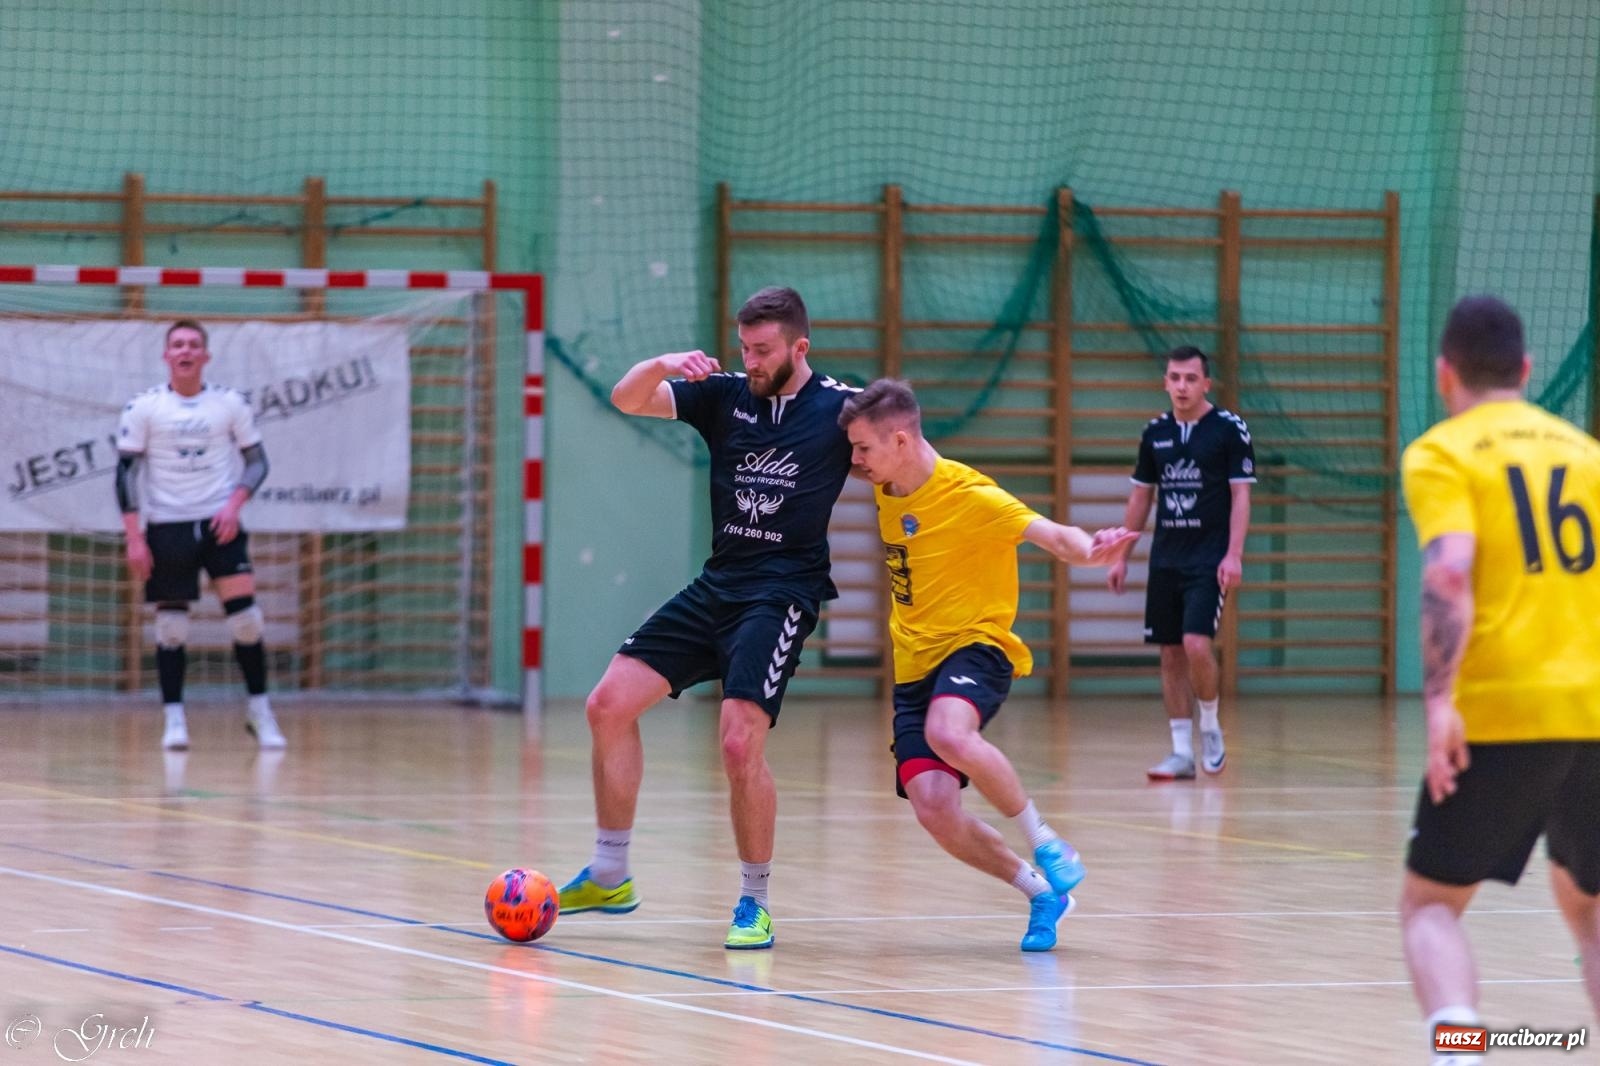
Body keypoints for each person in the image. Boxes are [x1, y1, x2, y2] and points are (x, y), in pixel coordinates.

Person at [557, 287, 859, 950]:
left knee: (737, 742)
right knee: (608, 704)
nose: (750, 360)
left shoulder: (840, 408)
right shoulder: (725, 395)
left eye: (763, 350)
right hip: (719, 583)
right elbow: (627, 398)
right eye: (745, 347)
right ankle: (610, 872)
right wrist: (663, 361)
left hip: (780, 595)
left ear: (799, 347)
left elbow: (901, 456)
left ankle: (754, 900)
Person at [838, 379, 1138, 951]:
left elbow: (1051, 535)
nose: (854, 461)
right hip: (912, 669)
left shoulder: (971, 496)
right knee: (934, 810)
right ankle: (1041, 892)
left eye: (863, 450)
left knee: (948, 732)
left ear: (900, 441)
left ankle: (1046, 841)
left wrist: (1090, 548)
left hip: (978, 645)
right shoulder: (884, 477)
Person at [1398, 295, 1600, 1063]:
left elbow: (1450, 572)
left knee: (1430, 907)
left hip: (1508, 708)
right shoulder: (1585, 453)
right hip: (1594, 707)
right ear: (1525, 369)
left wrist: (1442, 700)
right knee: (1587, 904)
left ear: (1445, 372)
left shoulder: (1444, 452)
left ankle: (1459, 1048)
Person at [116, 319, 284, 751]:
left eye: (193, 345)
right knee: (171, 627)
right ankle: (174, 720)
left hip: (219, 523)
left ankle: (260, 712)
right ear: (167, 356)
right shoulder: (144, 407)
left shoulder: (229, 404)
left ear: (205, 356)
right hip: (167, 526)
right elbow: (125, 474)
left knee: (246, 620)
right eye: (178, 345)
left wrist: (234, 505)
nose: (186, 351)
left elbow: (258, 462)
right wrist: (134, 537)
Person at [1105, 346, 1253, 780]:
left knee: (1195, 645)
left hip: (1208, 558)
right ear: (1165, 382)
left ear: (1206, 383)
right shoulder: (1155, 434)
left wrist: (1234, 554)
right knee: (1170, 653)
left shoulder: (1228, 429)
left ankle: (1210, 725)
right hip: (1167, 558)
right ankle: (1179, 753)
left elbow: (1241, 494)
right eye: (1175, 377)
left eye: (1191, 378)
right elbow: (1141, 497)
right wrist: (1121, 556)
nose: (1182, 386)